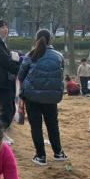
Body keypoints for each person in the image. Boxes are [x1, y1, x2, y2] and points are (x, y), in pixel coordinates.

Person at [17, 28, 67, 165]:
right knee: (52, 124)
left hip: (32, 97)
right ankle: (58, 153)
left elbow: (20, 76)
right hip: (51, 97)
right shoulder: (59, 56)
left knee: (36, 126)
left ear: (36, 40)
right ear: (51, 40)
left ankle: (40, 156)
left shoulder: (30, 55)